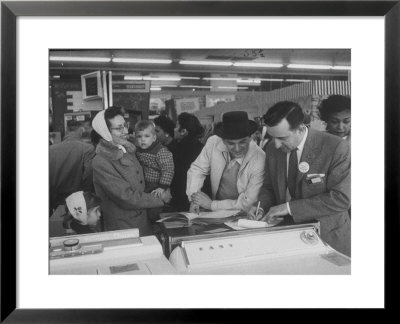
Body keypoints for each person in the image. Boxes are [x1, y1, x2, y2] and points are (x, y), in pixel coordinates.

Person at [250, 101, 351, 256]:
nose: (276, 145)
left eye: (282, 138)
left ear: (300, 128)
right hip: (285, 238)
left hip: (328, 238)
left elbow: (341, 198)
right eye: (273, 137)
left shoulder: (336, 147)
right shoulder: (272, 148)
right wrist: (261, 207)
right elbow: (269, 187)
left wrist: (289, 208)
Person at [91, 107, 171, 235]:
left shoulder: (127, 149)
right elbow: (125, 197)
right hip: (123, 227)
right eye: (119, 128)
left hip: (142, 220)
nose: (125, 131)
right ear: (105, 132)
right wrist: (160, 199)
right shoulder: (100, 162)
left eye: (125, 125)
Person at [187, 111, 265, 213]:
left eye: (242, 142)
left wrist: (211, 205)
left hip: (244, 213)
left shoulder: (260, 158)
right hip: (216, 211)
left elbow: (249, 202)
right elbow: (197, 169)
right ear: (223, 140)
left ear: (251, 137)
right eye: (231, 143)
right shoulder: (213, 142)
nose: (237, 149)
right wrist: (195, 199)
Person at [49, 119, 95, 215]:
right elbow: (88, 174)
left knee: (60, 226)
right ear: (81, 131)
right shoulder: (87, 149)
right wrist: (87, 196)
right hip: (78, 200)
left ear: (67, 131)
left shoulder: (51, 150)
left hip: (56, 201)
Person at [134, 120, 175, 221]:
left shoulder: (161, 151)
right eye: (139, 136)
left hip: (157, 185)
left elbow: (168, 169)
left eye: (146, 136)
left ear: (154, 138)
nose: (143, 140)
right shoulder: (137, 150)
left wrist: (162, 187)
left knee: (155, 211)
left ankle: (157, 226)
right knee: (146, 209)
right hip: (145, 184)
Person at [170, 112, 205, 211]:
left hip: (182, 199)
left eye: (176, 126)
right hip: (199, 199)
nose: (174, 129)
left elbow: (178, 177)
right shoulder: (202, 147)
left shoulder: (179, 148)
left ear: (183, 131)